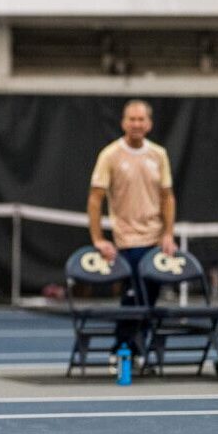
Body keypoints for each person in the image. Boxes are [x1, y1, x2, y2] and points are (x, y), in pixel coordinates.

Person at [86, 99, 178, 359]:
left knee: (149, 301)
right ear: (123, 122)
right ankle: (121, 350)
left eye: (141, 119)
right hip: (126, 241)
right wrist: (98, 238)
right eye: (131, 119)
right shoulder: (110, 155)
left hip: (155, 242)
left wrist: (168, 234)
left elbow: (167, 196)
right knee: (131, 301)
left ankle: (139, 350)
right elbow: (95, 198)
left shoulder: (158, 155)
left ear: (149, 124)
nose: (136, 124)